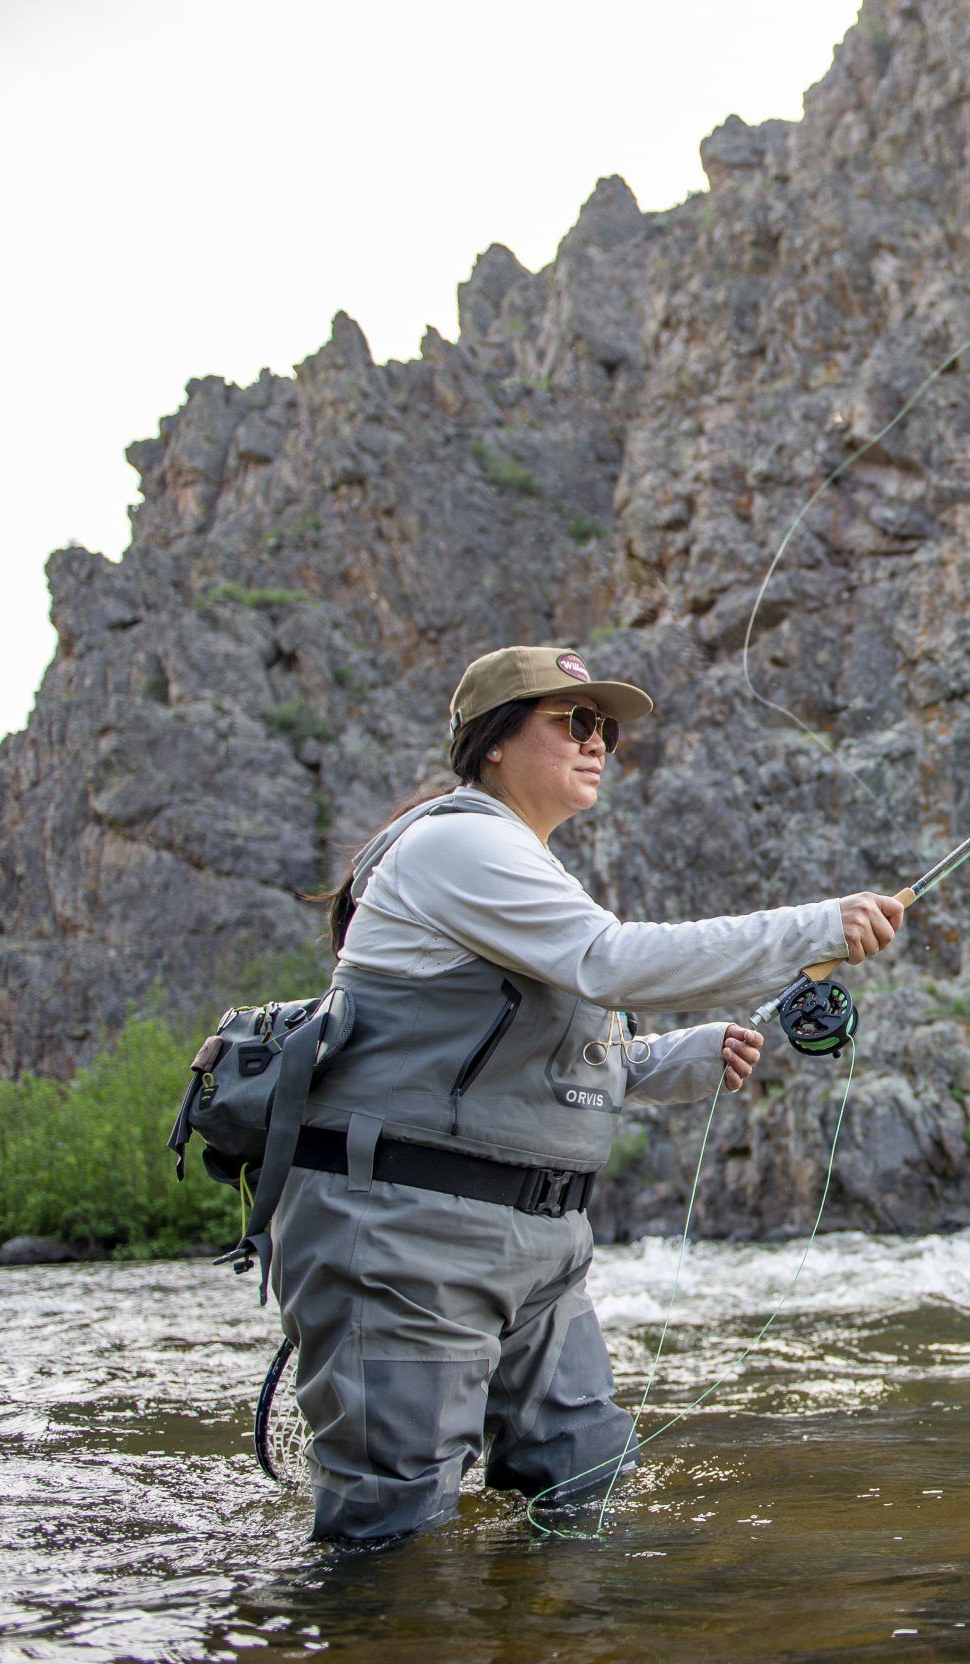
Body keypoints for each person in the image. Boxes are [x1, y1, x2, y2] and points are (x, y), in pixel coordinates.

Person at [274, 643, 903, 1542]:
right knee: (391, 1531)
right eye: (573, 720)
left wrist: (677, 1055)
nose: (598, 741)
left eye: (604, 727)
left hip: (538, 1246)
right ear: (493, 742)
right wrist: (814, 924)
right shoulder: (457, 843)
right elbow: (610, 961)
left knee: (584, 1479)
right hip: (407, 1236)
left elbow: (553, 1052)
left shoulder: (523, 868)